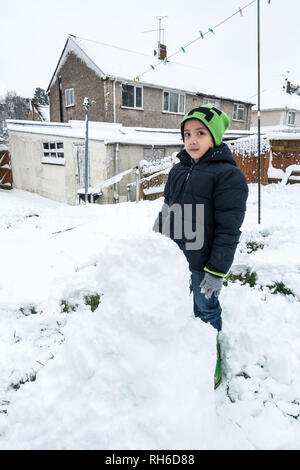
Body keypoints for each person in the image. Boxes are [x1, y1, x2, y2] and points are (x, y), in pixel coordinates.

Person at [153, 105, 248, 388]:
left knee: (205, 309)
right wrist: (156, 245)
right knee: (182, 306)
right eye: (187, 134)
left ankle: (212, 356)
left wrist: (216, 270)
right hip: (176, 258)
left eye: (200, 133)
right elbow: (168, 209)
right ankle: (186, 351)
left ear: (215, 138)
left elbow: (228, 229)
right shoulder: (178, 171)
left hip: (203, 262)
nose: (192, 140)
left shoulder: (228, 177)